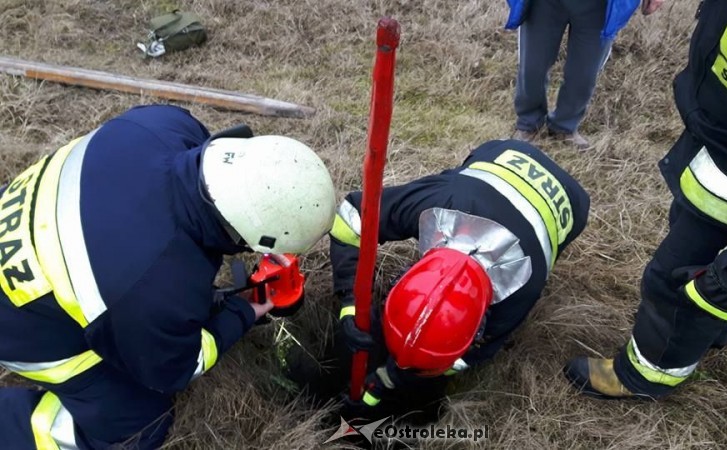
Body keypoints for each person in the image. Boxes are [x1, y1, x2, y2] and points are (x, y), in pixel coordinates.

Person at [0, 104, 337, 448]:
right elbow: (172, 370)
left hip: (16, 226)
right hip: (16, 325)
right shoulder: (150, 287)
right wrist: (243, 311)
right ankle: (19, 427)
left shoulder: (165, 125)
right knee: (139, 427)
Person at [565, 0, 727, 399]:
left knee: (676, 283)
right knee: (695, 274)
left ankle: (645, 376)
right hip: (725, 152)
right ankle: (710, 330)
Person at [289, 138, 589, 420]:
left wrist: (393, 377)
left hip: (572, 203)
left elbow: (473, 354)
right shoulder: (435, 203)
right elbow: (351, 217)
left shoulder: (521, 288)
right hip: (500, 154)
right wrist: (352, 300)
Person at [510, 0, 666, 149]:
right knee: (533, 66)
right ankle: (528, 124)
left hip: (600, 7)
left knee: (584, 74)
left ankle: (564, 127)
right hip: (544, 4)